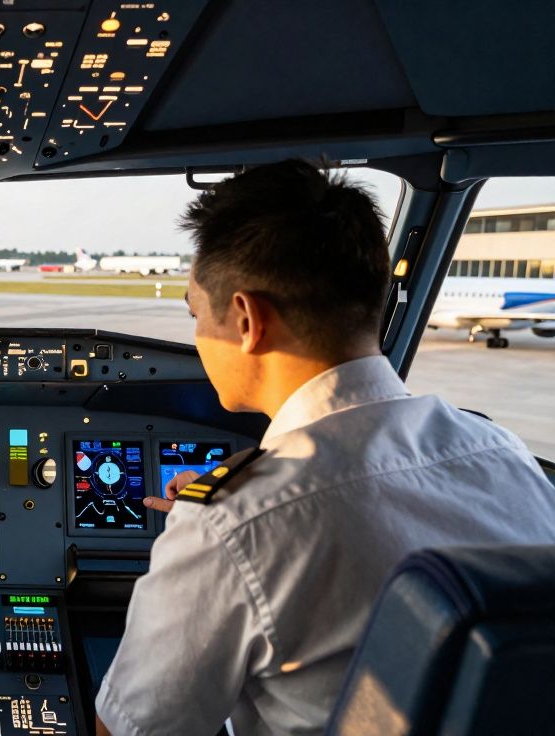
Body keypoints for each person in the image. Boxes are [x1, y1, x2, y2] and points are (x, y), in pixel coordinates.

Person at [94, 160, 555, 735]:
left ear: (245, 320)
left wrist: (215, 527)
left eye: (195, 314)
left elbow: (131, 731)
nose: (195, 336)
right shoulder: (502, 453)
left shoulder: (235, 523)